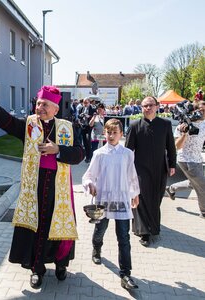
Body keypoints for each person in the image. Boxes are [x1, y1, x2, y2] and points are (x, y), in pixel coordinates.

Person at [0, 82, 84, 289]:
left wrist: (58, 149)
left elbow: (80, 154)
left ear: (55, 109)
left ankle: (60, 264)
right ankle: (36, 269)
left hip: (59, 189)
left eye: (45, 105)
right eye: (38, 103)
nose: (39, 108)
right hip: (35, 185)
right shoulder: (29, 125)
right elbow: (5, 121)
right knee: (36, 229)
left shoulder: (68, 127)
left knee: (57, 226)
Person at [82, 118, 140, 290]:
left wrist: (135, 193)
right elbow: (88, 176)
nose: (111, 135)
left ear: (121, 134)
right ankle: (96, 248)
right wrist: (89, 184)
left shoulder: (128, 153)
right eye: (109, 132)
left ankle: (126, 274)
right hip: (104, 200)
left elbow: (132, 176)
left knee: (123, 237)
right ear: (104, 133)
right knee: (100, 229)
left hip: (121, 200)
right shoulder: (99, 154)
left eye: (115, 132)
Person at [125, 96, 176, 246]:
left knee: (156, 198)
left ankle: (153, 227)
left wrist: (172, 164)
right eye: (144, 106)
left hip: (160, 169)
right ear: (141, 108)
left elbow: (170, 147)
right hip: (140, 169)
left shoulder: (165, 124)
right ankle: (144, 232)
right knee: (142, 198)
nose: (148, 108)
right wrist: (125, 169)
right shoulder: (135, 126)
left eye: (150, 105)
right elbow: (128, 150)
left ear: (157, 106)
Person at [166, 101, 205, 218]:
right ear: (194, 111)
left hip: (198, 159)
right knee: (202, 185)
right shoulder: (182, 126)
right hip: (186, 159)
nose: (202, 113)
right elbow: (176, 146)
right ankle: (204, 212)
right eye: (201, 110)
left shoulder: (204, 124)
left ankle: (172, 188)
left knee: (194, 183)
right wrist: (185, 134)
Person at [79, 97, 95, 163]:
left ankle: (89, 157)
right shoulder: (81, 108)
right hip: (83, 127)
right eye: (84, 103)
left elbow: (95, 116)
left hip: (89, 127)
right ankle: (87, 156)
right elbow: (79, 116)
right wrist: (81, 115)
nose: (85, 104)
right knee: (84, 142)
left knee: (88, 142)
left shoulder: (92, 108)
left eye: (86, 103)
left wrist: (89, 116)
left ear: (89, 102)